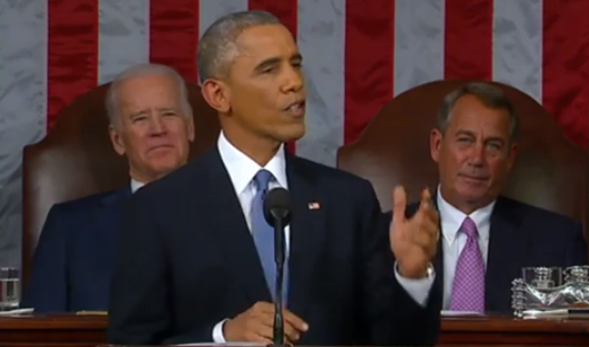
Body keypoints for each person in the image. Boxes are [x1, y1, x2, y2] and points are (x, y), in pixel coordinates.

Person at [107, 10, 441, 346]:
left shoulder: (347, 200)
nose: (294, 82)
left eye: (294, 64)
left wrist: (411, 275)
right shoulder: (159, 208)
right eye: (269, 69)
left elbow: (393, 339)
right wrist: (222, 336)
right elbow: (131, 340)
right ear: (218, 95)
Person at [390, 82, 588, 314]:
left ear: (510, 158)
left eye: (493, 145)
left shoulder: (557, 241)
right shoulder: (385, 234)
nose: (476, 159)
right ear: (437, 145)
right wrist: (411, 278)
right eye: (465, 140)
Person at [20, 63, 195, 313]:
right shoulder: (71, 228)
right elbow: (41, 332)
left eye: (169, 114)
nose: (158, 129)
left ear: (189, 128)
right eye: (140, 118)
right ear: (118, 140)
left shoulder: (233, 213)